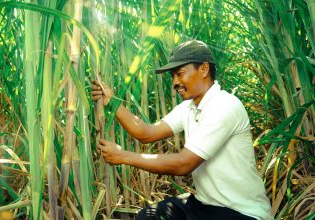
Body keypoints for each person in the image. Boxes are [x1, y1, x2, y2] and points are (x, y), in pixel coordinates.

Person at [91, 40, 273, 220]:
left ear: (204, 69)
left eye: (180, 74)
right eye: (173, 76)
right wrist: (111, 102)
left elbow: (184, 164)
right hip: (204, 204)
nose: (175, 82)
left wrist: (124, 157)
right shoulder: (189, 107)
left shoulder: (224, 106)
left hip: (242, 212)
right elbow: (146, 133)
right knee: (148, 217)